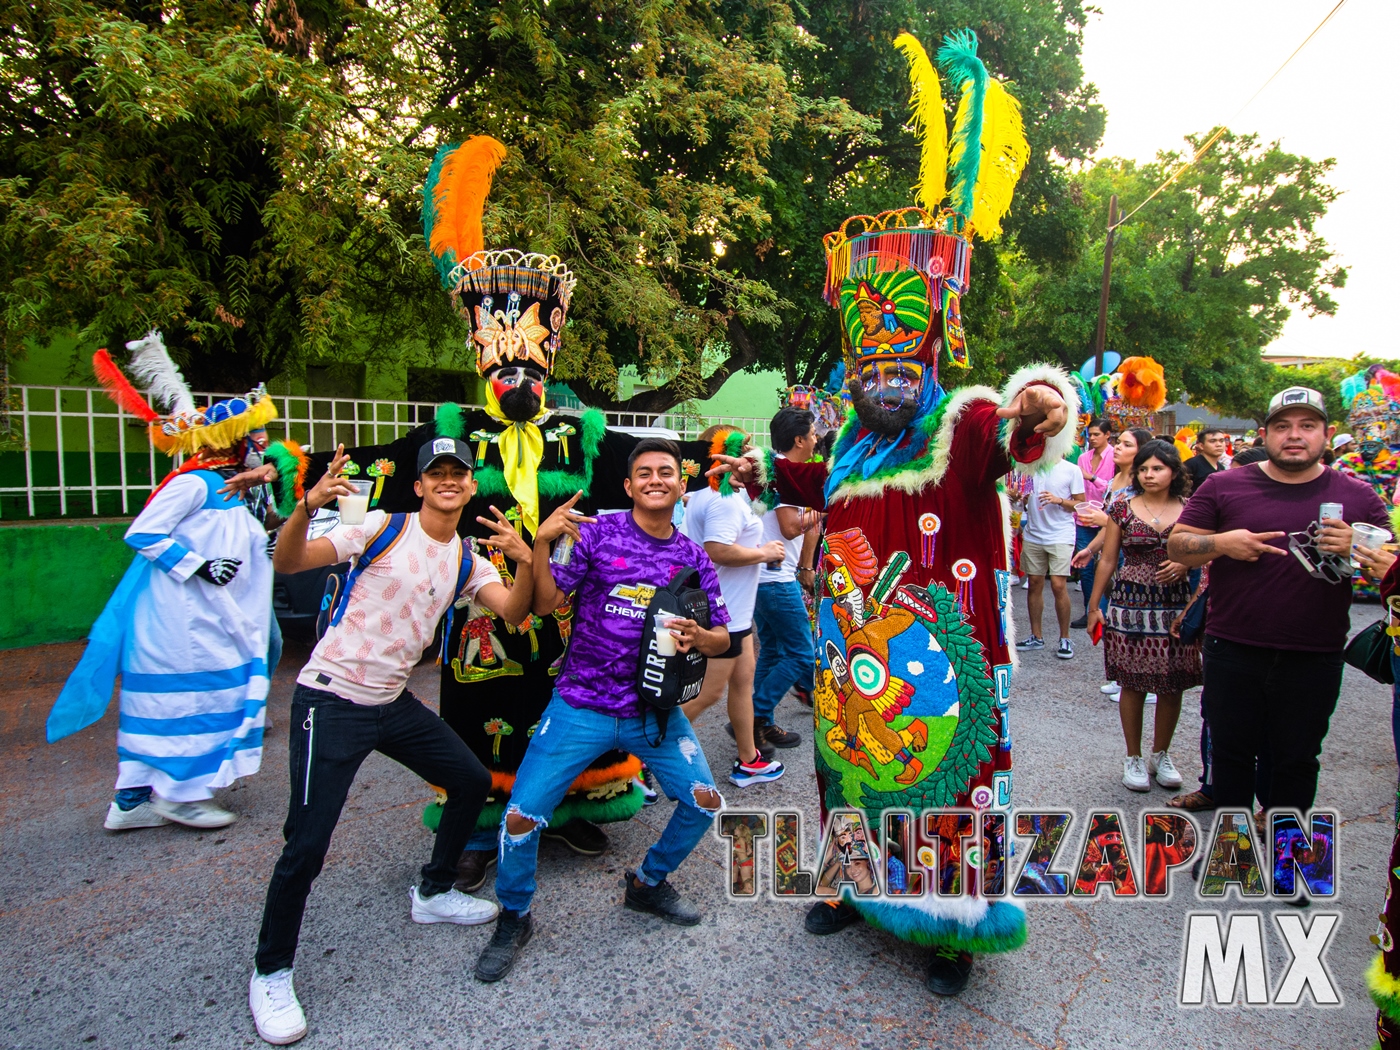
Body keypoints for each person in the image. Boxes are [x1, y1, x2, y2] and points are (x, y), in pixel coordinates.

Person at [707, 27, 1073, 997]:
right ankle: (849, 886)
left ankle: (947, 926)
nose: (881, 377)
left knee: (950, 785)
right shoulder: (842, 449)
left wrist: (1036, 414)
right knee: (847, 778)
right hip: (848, 657)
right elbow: (791, 495)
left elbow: (1015, 437)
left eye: (897, 362)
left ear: (930, 359)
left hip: (940, 662)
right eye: (865, 363)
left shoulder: (960, 424)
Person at [249, 437, 534, 1045]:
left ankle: (432, 891)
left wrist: (527, 556)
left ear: (471, 485)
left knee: (471, 780)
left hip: (391, 702)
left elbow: (512, 612)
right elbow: (289, 562)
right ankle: (271, 971)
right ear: (420, 485)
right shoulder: (380, 526)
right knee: (307, 844)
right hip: (331, 699)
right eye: (438, 474)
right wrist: (306, 505)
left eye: (459, 473)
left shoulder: (464, 558)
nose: (449, 481)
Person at [473, 439, 730, 983]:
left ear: (682, 485)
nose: (656, 479)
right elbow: (545, 605)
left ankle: (648, 884)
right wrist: (537, 548)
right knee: (520, 817)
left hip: (653, 713)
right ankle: (514, 916)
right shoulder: (596, 535)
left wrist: (699, 635)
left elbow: (723, 637)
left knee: (705, 801)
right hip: (580, 706)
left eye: (666, 472)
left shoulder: (694, 557)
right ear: (629, 486)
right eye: (644, 473)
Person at [49, 334, 298, 832]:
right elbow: (142, 533)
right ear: (228, 443)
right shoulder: (192, 483)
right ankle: (182, 796)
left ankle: (131, 801)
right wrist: (199, 566)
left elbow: (257, 528)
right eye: (251, 439)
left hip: (213, 618)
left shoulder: (230, 489)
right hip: (186, 624)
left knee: (178, 705)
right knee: (193, 702)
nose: (258, 446)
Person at [1167, 386, 1391, 819]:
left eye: (1307, 426)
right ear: (1265, 434)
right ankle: (1233, 859)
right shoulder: (1224, 485)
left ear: (1327, 434)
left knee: (1296, 761)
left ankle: (1291, 861)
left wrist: (1357, 542)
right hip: (1233, 648)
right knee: (1231, 758)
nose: (1295, 435)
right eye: (1283, 426)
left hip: (1314, 654)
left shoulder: (1358, 494)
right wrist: (1222, 543)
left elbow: (1391, 562)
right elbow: (1177, 547)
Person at [1085, 440, 1198, 792]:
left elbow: (1207, 552)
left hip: (1176, 606)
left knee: (1172, 684)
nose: (1150, 474)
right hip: (1129, 604)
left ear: (1174, 472)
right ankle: (1132, 756)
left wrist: (1185, 562)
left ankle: (1160, 754)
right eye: (1144, 468)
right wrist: (1093, 606)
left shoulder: (1191, 509)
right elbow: (1107, 558)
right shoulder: (1121, 507)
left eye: (1158, 468)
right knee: (1131, 683)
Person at [680, 426, 787, 786]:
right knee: (707, 693)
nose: (752, 456)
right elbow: (717, 549)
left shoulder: (713, 495)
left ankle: (749, 759)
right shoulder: (722, 500)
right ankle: (639, 760)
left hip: (733, 613)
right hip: (720, 613)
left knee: (744, 684)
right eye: (747, 449)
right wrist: (764, 552)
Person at [1166, 444, 1269, 812]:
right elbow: (1198, 564)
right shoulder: (1223, 508)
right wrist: (1193, 607)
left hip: (1276, 638)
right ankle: (1213, 788)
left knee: (1273, 728)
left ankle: (1268, 807)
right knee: (1217, 716)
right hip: (1224, 632)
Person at [750, 407, 822, 750]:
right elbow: (790, 526)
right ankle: (754, 716)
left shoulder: (776, 468)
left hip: (764, 578)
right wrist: (820, 510)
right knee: (801, 655)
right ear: (798, 439)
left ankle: (760, 724)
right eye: (812, 434)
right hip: (775, 580)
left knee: (773, 651)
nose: (816, 439)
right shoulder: (782, 474)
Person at [1071, 426, 1155, 698]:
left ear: (1141, 451)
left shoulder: (1145, 485)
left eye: (1126, 444)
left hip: (1137, 561)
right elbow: (1111, 529)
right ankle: (1124, 677)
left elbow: (1143, 526)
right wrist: (1092, 549)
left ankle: (1148, 682)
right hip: (1113, 555)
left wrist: (1104, 521)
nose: (1117, 447)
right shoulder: (1115, 479)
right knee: (1117, 617)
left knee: (1139, 620)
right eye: (1118, 442)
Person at [1016, 456, 1084, 658]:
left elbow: (1081, 503)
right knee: (1035, 582)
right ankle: (1036, 636)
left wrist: (1059, 500)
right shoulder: (1029, 468)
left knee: (1058, 584)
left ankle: (1065, 638)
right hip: (1034, 534)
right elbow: (1023, 501)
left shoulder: (1071, 470)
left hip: (1061, 534)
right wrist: (1022, 499)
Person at [1070, 418, 1115, 628]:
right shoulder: (1083, 457)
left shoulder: (1115, 456)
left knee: (1110, 564)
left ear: (1107, 434)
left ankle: (1108, 610)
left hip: (1108, 520)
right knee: (1085, 567)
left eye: (1097, 434)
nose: (1093, 438)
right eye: (1091, 435)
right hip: (1084, 517)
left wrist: (1092, 478)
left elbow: (1115, 487)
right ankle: (1090, 610)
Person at [1184, 426, 1227, 491]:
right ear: (1201, 446)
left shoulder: (1221, 467)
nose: (1219, 444)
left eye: (1221, 441)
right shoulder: (1191, 465)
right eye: (1212, 441)